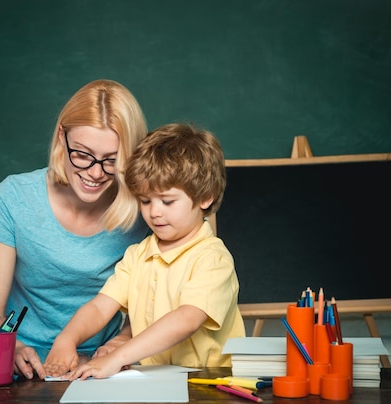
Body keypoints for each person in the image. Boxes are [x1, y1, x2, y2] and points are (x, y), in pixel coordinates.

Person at [43, 123, 246, 380]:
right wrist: (66, 339)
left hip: (210, 383)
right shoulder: (137, 255)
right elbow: (99, 307)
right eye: (146, 201)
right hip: (156, 381)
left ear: (205, 197)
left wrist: (118, 356)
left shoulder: (212, 259)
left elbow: (186, 319)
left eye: (168, 201)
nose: (154, 212)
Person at [0, 79, 149, 380]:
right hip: (24, 368)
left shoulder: (145, 211)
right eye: (82, 154)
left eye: (111, 161)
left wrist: (122, 341)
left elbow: (152, 301)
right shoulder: (14, 197)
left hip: (101, 366)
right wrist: (10, 347)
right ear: (62, 137)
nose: (95, 173)